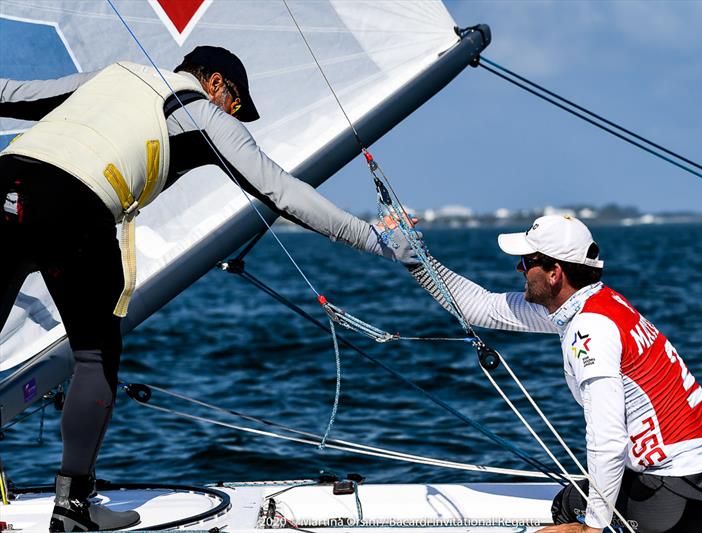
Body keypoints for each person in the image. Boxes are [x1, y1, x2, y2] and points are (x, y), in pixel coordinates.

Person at [0, 46, 415, 532]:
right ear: (215, 83)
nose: (234, 116)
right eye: (236, 104)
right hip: (75, 209)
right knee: (94, 356)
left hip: (6, 180)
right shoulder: (202, 113)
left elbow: (8, 94)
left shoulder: (113, 76)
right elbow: (281, 190)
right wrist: (375, 239)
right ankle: (72, 510)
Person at [409, 214, 702, 533]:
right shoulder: (600, 303)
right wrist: (413, 257)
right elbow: (482, 307)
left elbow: (607, 439)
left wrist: (592, 526)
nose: (519, 268)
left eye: (528, 262)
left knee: (571, 511)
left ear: (554, 273)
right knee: (575, 500)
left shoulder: (589, 329)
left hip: (691, 491)